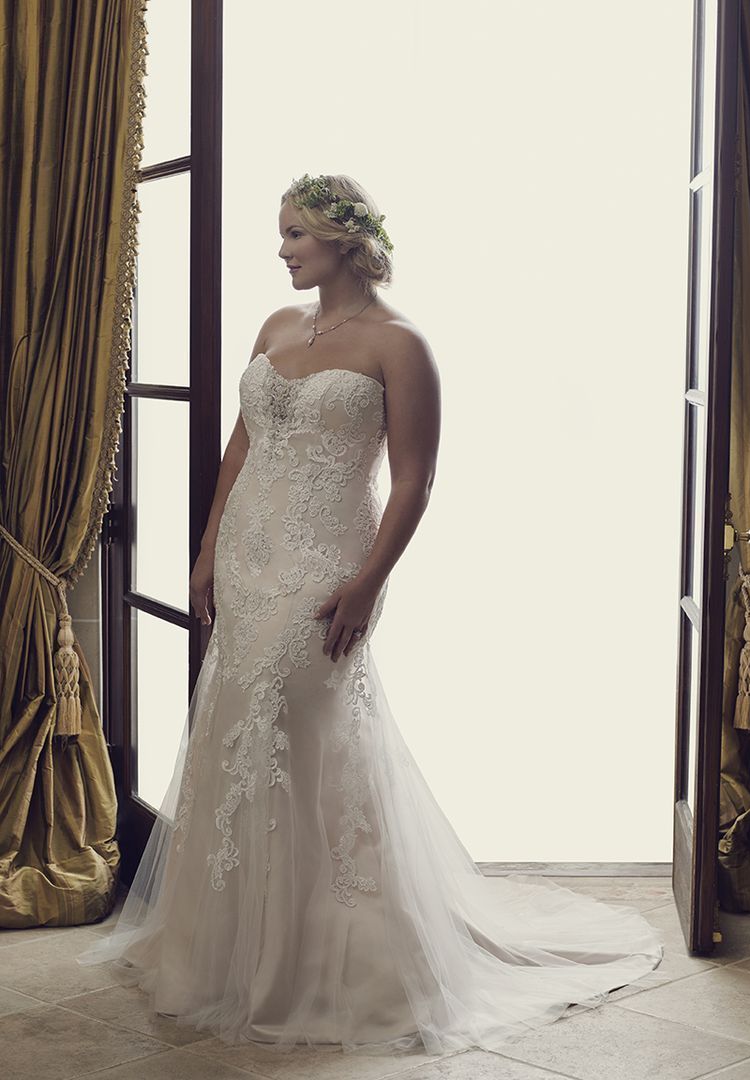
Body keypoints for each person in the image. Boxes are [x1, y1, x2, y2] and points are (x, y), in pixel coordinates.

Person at [76, 173, 665, 1059]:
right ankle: (227, 948)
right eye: (280, 235)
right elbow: (243, 445)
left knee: (299, 730)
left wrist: (366, 584)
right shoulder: (277, 329)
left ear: (344, 241)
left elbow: (415, 483)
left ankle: (327, 958)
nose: (280, 250)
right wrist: (204, 551)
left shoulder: (401, 343)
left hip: (324, 565)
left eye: (294, 236)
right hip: (247, 559)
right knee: (236, 729)